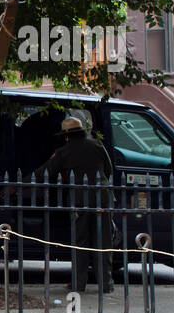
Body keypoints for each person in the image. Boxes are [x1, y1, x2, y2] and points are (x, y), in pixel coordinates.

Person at [37, 116, 115, 292]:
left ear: (66, 135)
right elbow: (109, 169)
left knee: (80, 242)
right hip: (102, 197)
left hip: (80, 200)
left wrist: (16, 186)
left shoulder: (64, 151)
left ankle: (79, 284)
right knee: (104, 242)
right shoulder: (97, 145)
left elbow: (45, 172)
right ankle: (106, 284)